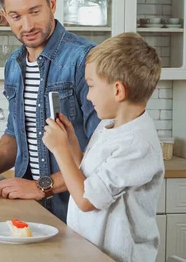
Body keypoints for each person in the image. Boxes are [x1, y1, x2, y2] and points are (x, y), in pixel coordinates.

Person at [0, 0, 100, 222]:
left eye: (35, 11)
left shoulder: (84, 59)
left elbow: (100, 153)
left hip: (75, 211)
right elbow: (15, 133)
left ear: (52, 3)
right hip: (27, 207)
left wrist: (40, 186)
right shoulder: (14, 64)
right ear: (4, 16)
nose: (28, 25)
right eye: (16, 16)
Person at [42, 33, 164, 262]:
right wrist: (72, 145)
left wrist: (59, 151)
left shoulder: (138, 145)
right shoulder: (109, 125)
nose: (87, 96)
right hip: (90, 252)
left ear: (118, 90)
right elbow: (90, 176)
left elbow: (87, 200)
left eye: (91, 86)